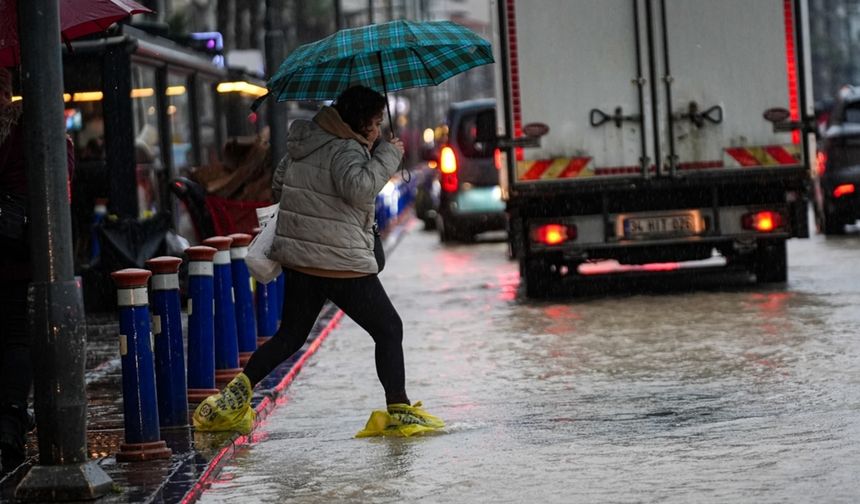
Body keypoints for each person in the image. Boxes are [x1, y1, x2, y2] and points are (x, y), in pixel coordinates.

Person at [192, 85, 444, 436]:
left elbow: (281, 186)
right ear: (359, 122)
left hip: (300, 259)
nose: (376, 130)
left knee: (290, 336)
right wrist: (387, 155)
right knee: (389, 328)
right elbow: (358, 188)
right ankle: (398, 409)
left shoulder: (307, 141)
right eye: (374, 123)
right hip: (338, 261)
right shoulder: (346, 149)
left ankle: (232, 399)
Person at [0, 68, 75, 474]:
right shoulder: (26, 128)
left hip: (12, 255)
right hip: (15, 255)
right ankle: (10, 423)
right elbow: (59, 180)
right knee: (16, 338)